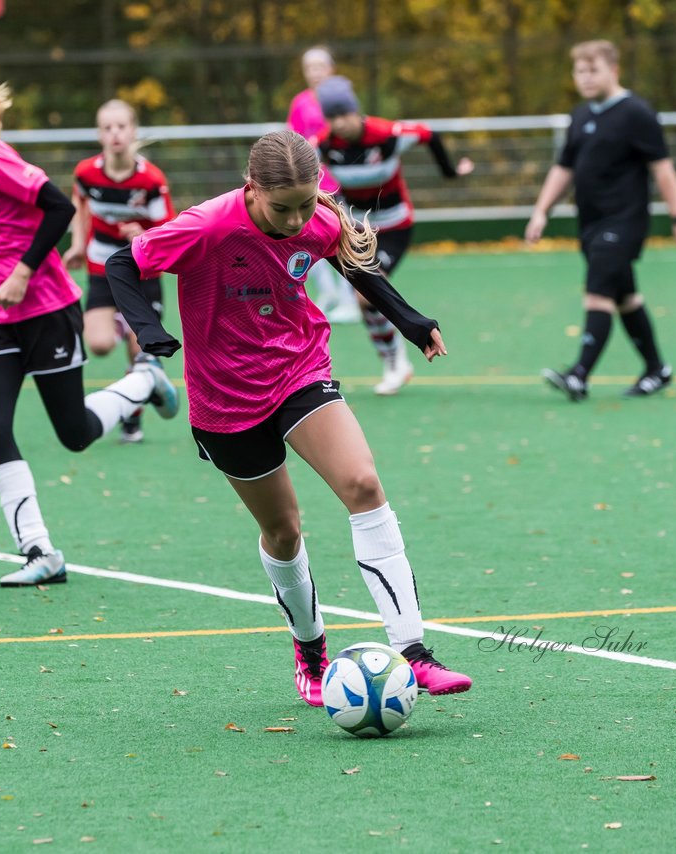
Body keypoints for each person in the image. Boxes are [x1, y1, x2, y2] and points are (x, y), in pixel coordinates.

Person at [105, 129, 473, 705]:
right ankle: (310, 645)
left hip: (299, 369)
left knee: (363, 483)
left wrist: (410, 319)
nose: (300, 219)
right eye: (284, 208)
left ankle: (414, 652)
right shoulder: (210, 225)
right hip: (225, 397)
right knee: (283, 531)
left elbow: (356, 264)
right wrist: (148, 331)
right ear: (252, 189)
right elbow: (122, 263)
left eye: (308, 202)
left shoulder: (318, 218)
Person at [0, 74, 179, 587]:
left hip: (47, 308)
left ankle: (144, 382)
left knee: (75, 434)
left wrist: (23, 273)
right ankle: (39, 550)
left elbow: (58, 208)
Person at [525, 39, 676, 401]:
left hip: (624, 222)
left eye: (594, 70)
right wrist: (542, 210)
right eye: (580, 71)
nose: (586, 78)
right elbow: (564, 168)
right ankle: (657, 369)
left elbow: (663, 170)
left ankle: (579, 375)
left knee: (598, 293)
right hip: (591, 223)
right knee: (626, 298)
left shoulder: (637, 113)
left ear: (613, 71)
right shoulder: (580, 115)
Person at [313, 75, 475, 395]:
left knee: (366, 293)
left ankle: (395, 363)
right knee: (365, 303)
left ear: (355, 110)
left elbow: (430, 134)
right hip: (358, 228)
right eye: (331, 117)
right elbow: (307, 173)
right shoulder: (326, 144)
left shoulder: (387, 135)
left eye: (342, 114)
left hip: (394, 227)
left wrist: (451, 172)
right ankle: (393, 360)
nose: (338, 123)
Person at [61, 99, 175, 445]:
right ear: (99, 134)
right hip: (102, 267)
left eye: (121, 126)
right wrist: (79, 245)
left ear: (133, 131)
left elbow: (168, 230)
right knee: (96, 345)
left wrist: (143, 236)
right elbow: (80, 204)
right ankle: (120, 324)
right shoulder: (86, 173)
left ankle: (131, 422)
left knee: (139, 354)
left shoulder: (151, 180)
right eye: (107, 128)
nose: (115, 134)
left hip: (142, 270)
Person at [286, 46, 359, 324]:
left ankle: (349, 298)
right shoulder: (300, 102)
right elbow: (293, 139)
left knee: (343, 239)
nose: (314, 73)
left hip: (339, 183)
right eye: (309, 68)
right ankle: (327, 293)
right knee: (302, 235)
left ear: (331, 68)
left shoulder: (341, 101)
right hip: (308, 184)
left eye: (320, 66)